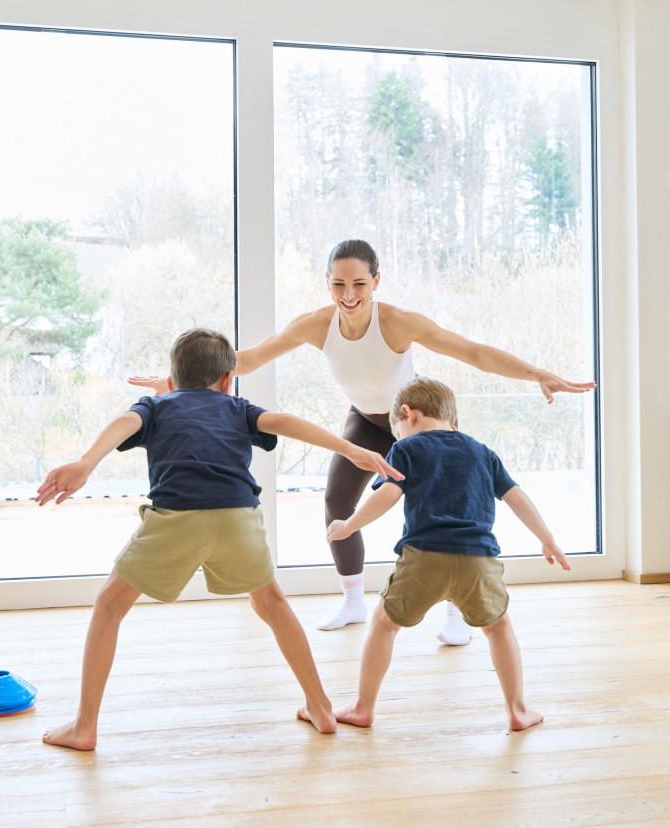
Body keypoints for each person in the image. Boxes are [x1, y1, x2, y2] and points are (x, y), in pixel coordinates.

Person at [130, 239, 593, 637]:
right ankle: (353, 599)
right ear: (327, 283)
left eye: (358, 284)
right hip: (367, 421)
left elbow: (471, 351)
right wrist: (175, 381)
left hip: (417, 421)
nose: (348, 295)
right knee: (336, 501)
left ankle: (457, 608)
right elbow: (245, 361)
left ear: (376, 282)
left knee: (448, 508)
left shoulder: (397, 321)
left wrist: (537, 374)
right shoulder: (315, 324)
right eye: (338, 285)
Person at [35, 327, 404, 750]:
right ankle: (320, 707)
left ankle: (85, 726)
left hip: (177, 521)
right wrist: (350, 449)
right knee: (273, 604)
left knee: (110, 604)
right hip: (238, 519)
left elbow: (125, 422)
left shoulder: (154, 405)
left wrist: (86, 463)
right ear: (228, 380)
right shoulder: (236, 407)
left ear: (171, 380)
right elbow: (283, 421)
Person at [326, 377, 571, 732]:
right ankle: (518, 711)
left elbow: (387, 496)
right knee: (499, 627)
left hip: (424, 558)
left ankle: (363, 707)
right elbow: (517, 497)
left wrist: (349, 525)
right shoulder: (483, 452)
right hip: (479, 561)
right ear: (453, 422)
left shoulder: (407, 450)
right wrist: (547, 538)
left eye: (397, 431)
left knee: (384, 624)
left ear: (407, 414)